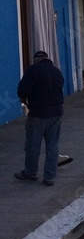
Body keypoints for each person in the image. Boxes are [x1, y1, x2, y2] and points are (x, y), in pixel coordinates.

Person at [15, 50, 65, 186]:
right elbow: (60, 87)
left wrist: (25, 99)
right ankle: (50, 177)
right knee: (53, 145)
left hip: (38, 113)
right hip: (56, 112)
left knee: (33, 144)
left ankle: (31, 172)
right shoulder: (56, 71)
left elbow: (22, 89)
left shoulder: (32, 70)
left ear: (36, 60)